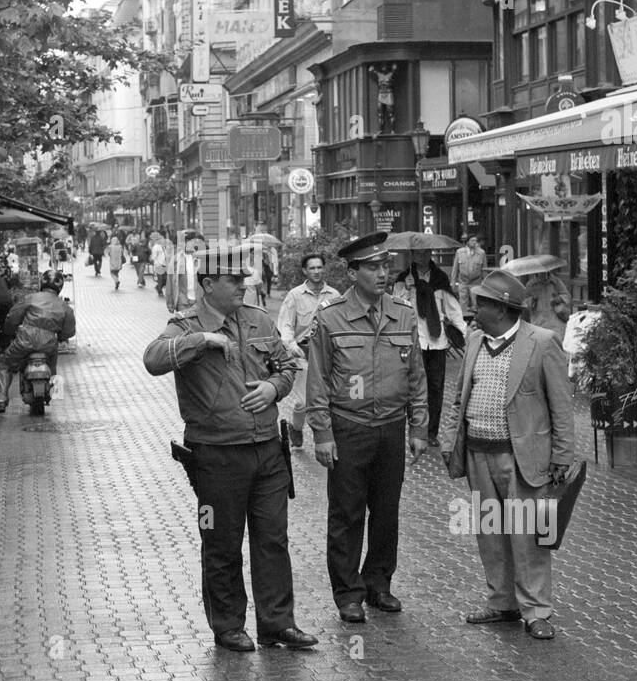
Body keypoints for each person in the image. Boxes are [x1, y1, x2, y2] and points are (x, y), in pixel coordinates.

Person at [143, 244, 316, 652]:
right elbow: (152, 360)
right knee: (220, 542)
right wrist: (202, 340)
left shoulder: (257, 319)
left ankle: (277, 623)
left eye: (243, 280)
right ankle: (227, 626)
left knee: (273, 540)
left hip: (268, 452)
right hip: (216, 457)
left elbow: (288, 365)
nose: (242, 286)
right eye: (233, 280)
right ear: (207, 284)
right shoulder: (184, 327)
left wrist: (275, 387)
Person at [438, 271, 576, 640]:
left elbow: (562, 407)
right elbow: (458, 397)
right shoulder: (474, 341)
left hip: (524, 459)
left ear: (500, 308)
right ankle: (502, 603)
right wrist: (450, 441)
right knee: (490, 534)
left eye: (480, 303)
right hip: (479, 455)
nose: (473, 308)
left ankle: (536, 611)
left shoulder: (542, 343)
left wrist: (562, 458)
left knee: (527, 536)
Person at [306, 232, 428, 622]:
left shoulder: (404, 314)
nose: (383, 273)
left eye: (385, 266)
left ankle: (378, 584)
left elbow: (416, 376)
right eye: (373, 267)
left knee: (387, 512)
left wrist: (419, 427)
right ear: (353, 272)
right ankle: (348, 594)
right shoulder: (330, 317)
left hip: (391, 428)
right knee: (346, 514)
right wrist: (322, 433)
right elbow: (318, 380)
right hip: (349, 427)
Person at [0, 269, 76, 414]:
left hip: (25, 340)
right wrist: (61, 337)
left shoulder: (31, 298)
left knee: (5, 364)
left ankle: (0, 400)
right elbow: (69, 331)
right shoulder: (65, 307)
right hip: (49, 343)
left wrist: (8, 331)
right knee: (53, 366)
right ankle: (53, 390)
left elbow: (12, 317)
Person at [397, 259, 468, 447]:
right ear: (413, 253)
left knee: (436, 388)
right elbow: (396, 307)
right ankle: (417, 429)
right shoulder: (404, 279)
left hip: (437, 341)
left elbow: (453, 309)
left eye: (426, 251)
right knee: (414, 388)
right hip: (413, 341)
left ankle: (431, 432)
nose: (423, 254)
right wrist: (406, 288)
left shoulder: (439, 278)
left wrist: (466, 335)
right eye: (419, 251)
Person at [275, 252, 339, 449]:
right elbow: (285, 325)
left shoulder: (334, 295)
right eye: (312, 268)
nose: (317, 271)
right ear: (305, 271)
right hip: (303, 355)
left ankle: (328, 438)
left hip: (328, 356)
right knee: (303, 402)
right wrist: (292, 347)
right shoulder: (295, 295)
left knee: (330, 399)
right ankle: (296, 426)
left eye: (319, 267)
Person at [523, 269, 572, 341]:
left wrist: (559, 299)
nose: (544, 274)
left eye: (545, 272)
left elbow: (567, 296)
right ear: (537, 272)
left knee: (556, 343)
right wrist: (533, 299)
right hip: (539, 321)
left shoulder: (556, 282)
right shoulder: (531, 284)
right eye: (541, 272)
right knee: (541, 344)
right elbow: (525, 303)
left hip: (555, 320)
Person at [451, 234, 486, 315]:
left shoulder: (481, 253)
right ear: (467, 242)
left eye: (475, 241)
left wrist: (485, 283)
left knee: (476, 304)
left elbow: (484, 269)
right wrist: (453, 283)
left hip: (476, 282)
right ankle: (464, 321)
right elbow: (455, 269)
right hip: (463, 282)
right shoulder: (459, 252)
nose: (474, 243)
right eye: (472, 240)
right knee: (463, 304)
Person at [151, 230, 169, 298]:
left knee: (166, 279)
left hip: (165, 264)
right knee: (160, 279)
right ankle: (160, 291)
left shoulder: (165, 246)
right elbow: (154, 257)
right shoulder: (156, 247)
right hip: (159, 265)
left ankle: (158, 287)